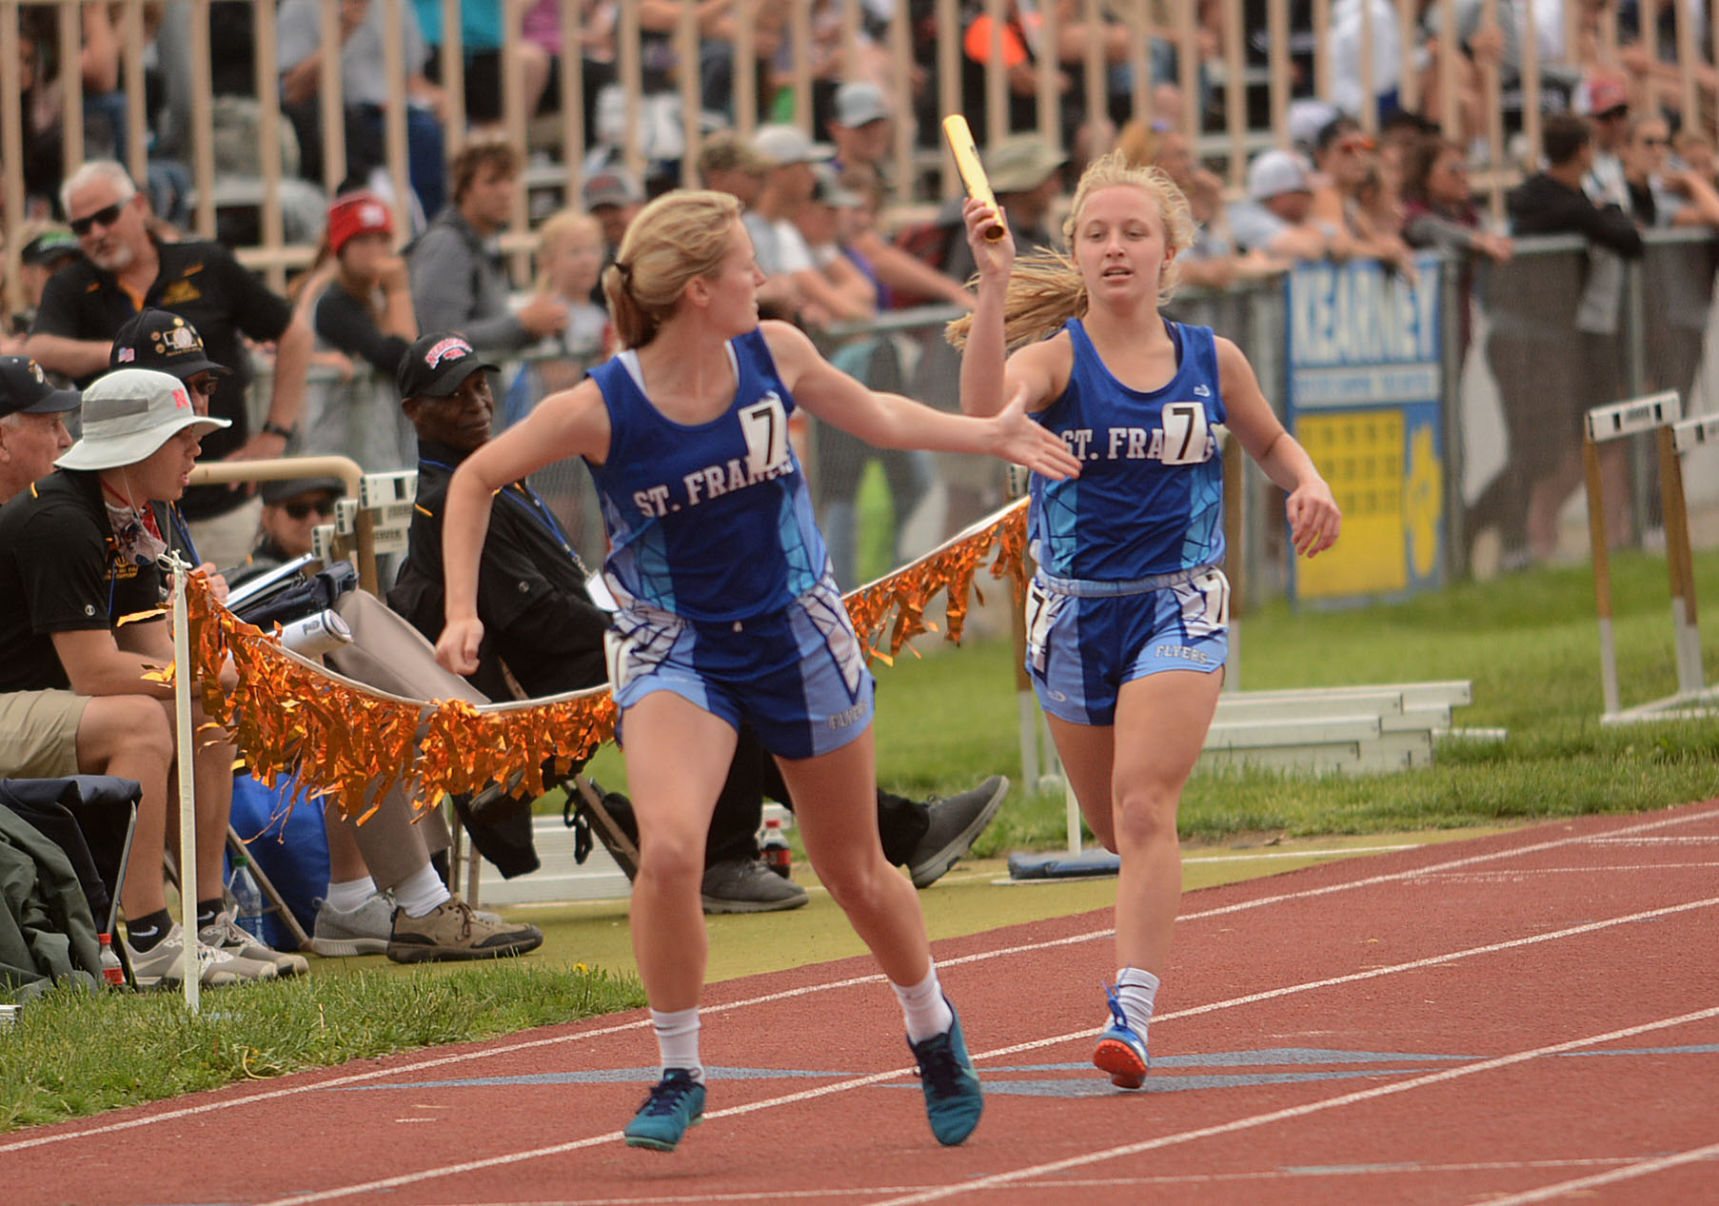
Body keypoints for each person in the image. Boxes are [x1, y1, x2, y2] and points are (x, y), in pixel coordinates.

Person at [429, 192, 1078, 1150]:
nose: (762, 279)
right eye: (745, 265)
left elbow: (882, 417)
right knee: (672, 854)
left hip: (794, 632)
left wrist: (986, 432)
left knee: (855, 869)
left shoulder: (773, 355)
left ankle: (933, 1030)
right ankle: (678, 1068)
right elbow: (475, 478)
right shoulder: (599, 405)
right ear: (698, 291)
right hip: (675, 645)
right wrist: (458, 611)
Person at [949, 151, 1341, 1088]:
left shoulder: (1213, 360)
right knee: (1119, 828)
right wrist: (996, 286)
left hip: (1179, 600)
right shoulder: (1052, 360)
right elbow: (980, 417)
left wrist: (1310, 479)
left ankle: (1131, 1008)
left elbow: (1270, 440)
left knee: (1141, 804)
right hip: (1074, 615)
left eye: (1135, 234)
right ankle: (1134, 958)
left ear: (1170, 253)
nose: (1115, 248)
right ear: (1076, 254)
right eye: (1096, 234)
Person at [389, 330, 1015, 912]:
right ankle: (728, 857)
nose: (476, 403)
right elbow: (538, 621)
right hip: (540, 688)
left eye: (479, 385)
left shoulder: (493, 477)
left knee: (716, 645)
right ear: (416, 411)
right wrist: (641, 626)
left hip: (577, 653)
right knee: (712, 653)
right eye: (453, 395)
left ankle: (900, 833)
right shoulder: (452, 498)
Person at [107, 312, 544, 962]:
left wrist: (205, 607)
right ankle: (458, 767)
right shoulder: (98, 496)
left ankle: (369, 887)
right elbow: (117, 641)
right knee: (345, 663)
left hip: (198, 657)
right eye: (183, 388)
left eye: (204, 388)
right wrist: (207, 626)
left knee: (347, 616)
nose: (197, 407)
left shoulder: (156, 495)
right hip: (161, 686)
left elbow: (168, 614)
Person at [0, 366, 312, 986]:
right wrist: (210, 675)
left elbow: (152, 649)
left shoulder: (136, 514)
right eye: (184, 437)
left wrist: (219, 677)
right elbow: (94, 671)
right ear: (136, 447)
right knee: (143, 720)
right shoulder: (60, 519)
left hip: (49, 701)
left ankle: (205, 922)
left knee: (201, 718)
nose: (199, 450)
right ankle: (144, 937)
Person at [24, 160, 315, 569]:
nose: (96, 234)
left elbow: (295, 332)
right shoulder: (72, 284)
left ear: (140, 206)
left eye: (106, 216)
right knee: (144, 625)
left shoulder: (205, 263)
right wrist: (132, 353)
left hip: (219, 499)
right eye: (82, 227)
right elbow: (39, 348)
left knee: (229, 619)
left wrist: (276, 432)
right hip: (124, 508)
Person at [407, 139, 568, 353]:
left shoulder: (480, 242)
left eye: (510, 180)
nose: (505, 191)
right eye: (492, 182)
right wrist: (523, 323)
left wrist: (534, 328)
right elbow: (440, 340)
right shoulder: (446, 244)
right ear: (463, 189)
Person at [302, 190, 420, 470]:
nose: (376, 251)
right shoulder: (332, 303)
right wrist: (399, 290)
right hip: (334, 459)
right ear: (342, 248)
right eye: (363, 241)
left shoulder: (378, 299)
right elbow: (400, 359)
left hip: (380, 454)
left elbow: (415, 354)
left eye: (383, 240)